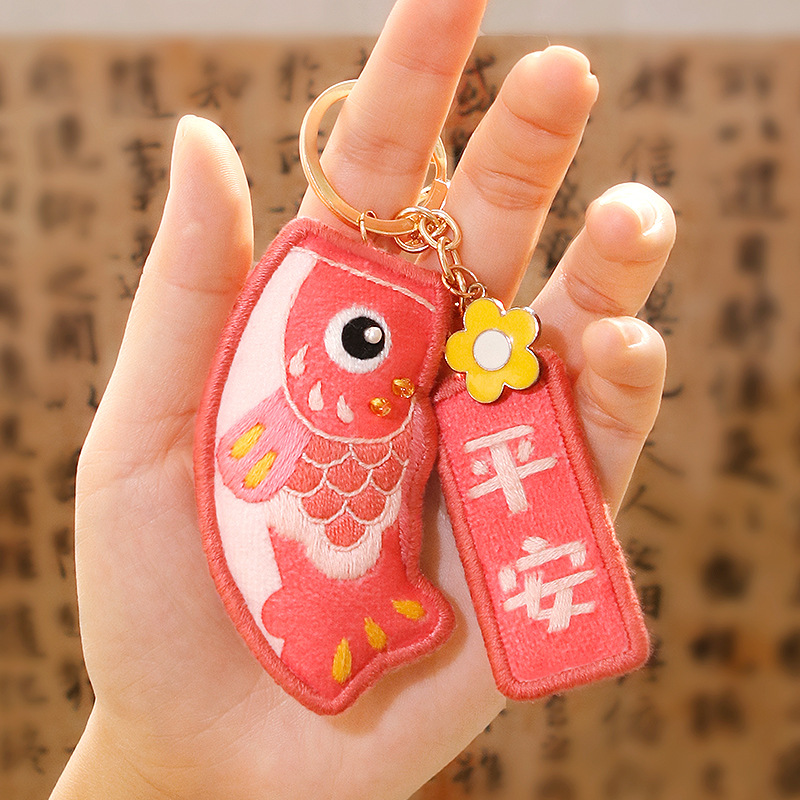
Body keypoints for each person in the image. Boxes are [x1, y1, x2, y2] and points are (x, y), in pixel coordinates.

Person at [50, 0, 676, 797]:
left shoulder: (394, 397)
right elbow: (249, 464)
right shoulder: (285, 397)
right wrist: (154, 769)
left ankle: (375, 603)